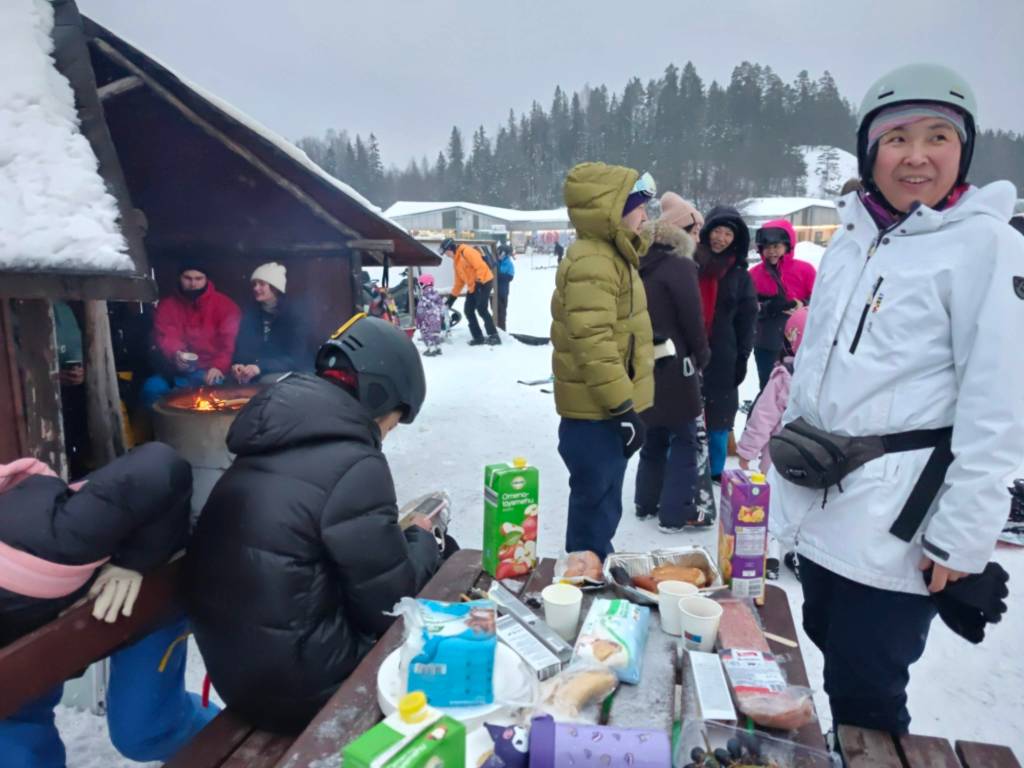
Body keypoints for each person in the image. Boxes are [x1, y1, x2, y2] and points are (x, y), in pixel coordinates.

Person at [772, 64, 1024, 735]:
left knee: (868, 693)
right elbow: (811, 370)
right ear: (870, 152)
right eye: (896, 138)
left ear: (963, 150)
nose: (916, 156)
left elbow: (998, 411)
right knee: (827, 642)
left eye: (938, 136)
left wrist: (963, 537)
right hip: (822, 505)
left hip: (900, 522)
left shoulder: (986, 247)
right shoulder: (852, 240)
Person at [185, 314, 447, 732]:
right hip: (307, 693)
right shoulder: (355, 464)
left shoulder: (270, 436)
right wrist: (424, 537)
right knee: (445, 622)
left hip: (238, 680)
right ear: (378, 395)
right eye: (394, 421)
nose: (387, 434)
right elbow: (391, 605)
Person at [0, 444, 217, 767]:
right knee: (15, 738)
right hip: (35, 636)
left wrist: (134, 562)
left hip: (146, 600)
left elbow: (159, 466)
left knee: (146, 732)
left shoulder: (56, 538)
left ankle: (229, 746)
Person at [551, 163, 655, 560]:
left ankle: (593, 565)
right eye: (638, 207)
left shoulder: (612, 255)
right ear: (613, 209)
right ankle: (584, 576)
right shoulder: (594, 260)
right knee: (595, 504)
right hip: (597, 413)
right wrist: (622, 407)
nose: (645, 216)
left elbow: (617, 329)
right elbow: (592, 340)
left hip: (604, 409)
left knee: (604, 501)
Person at [633, 195, 711, 533]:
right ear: (682, 229)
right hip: (676, 363)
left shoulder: (643, 260)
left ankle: (645, 501)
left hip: (645, 359)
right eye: (696, 230)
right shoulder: (679, 265)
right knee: (684, 438)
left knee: (654, 434)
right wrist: (702, 354)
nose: (699, 238)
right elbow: (692, 318)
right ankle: (675, 513)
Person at [696, 207, 757, 481]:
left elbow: (747, 320)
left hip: (723, 355)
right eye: (717, 231)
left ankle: (715, 469)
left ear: (736, 239)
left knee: (720, 417)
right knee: (684, 416)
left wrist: (742, 356)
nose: (721, 238)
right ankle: (682, 467)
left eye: (728, 234)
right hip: (690, 351)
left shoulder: (740, 276)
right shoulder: (691, 265)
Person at [141, 262, 241, 406]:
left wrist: (218, 367)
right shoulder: (167, 306)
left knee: (217, 392)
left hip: (209, 369)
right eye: (187, 278)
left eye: (198, 279)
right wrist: (176, 353)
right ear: (179, 278)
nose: (193, 284)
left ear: (206, 279)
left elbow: (229, 343)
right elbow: (165, 336)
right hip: (173, 370)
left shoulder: (226, 306)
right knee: (151, 389)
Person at [749, 220, 816, 390]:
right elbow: (746, 307)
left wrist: (803, 304)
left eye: (776, 246)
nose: (771, 251)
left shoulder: (805, 270)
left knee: (797, 388)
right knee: (768, 387)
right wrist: (768, 307)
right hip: (766, 341)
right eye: (766, 247)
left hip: (799, 343)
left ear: (788, 246)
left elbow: (821, 299)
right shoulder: (754, 274)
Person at [231, 262, 309, 383]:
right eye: (255, 284)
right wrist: (238, 365)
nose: (256, 288)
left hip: (288, 374)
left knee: (266, 382)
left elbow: (296, 359)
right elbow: (242, 346)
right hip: (255, 373)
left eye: (262, 284)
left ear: (275, 288)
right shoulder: (251, 312)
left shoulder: (293, 315)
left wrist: (259, 367)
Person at [440, 238, 500, 345]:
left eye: (446, 252)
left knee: (481, 309)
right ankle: (478, 337)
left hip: (484, 282)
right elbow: (459, 283)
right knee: (468, 310)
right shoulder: (456, 262)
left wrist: (479, 282)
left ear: (450, 249)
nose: (446, 255)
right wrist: (451, 299)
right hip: (473, 286)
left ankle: (494, 336)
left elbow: (480, 266)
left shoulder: (466, 251)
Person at [416, 273, 445, 356]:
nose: (419, 286)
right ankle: (438, 348)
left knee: (426, 334)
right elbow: (441, 306)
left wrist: (419, 320)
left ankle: (431, 349)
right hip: (436, 319)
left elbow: (421, 309)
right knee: (435, 334)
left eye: (420, 284)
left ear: (424, 284)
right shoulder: (436, 295)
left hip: (426, 320)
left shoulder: (424, 297)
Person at [495, 243, 515, 330]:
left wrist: (499, 275)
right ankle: (495, 327)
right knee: (494, 310)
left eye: (501, 253)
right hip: (494, 291)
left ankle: (502, 329)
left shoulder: (508, 263)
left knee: (502, 312)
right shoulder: (495, 261)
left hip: (502, 292)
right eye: (498, 253)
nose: (499, 255)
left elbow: (510, 277)